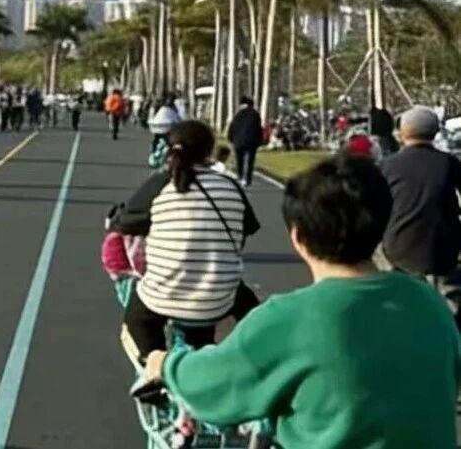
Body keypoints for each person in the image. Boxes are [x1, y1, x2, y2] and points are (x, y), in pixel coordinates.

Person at [142, 155, 460, 449]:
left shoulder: (289, 319)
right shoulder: (428, 302)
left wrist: (165, 364)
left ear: (298, 237)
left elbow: (213, 385)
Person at [123, 120, 259, 356]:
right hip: (219, 298)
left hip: (163, 297)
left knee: (137, 320)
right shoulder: (230, 185)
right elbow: (247, 228)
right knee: (251, 310)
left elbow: (126, 222)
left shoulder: (161, 183)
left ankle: (153, 364)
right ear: (208, 151)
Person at [380, 107, 461, 313]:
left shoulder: (387, 166)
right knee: (450, 298)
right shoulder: (448, 163)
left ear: (402, 132)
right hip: (441, 248)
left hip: (398, 247)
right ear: (435, 132)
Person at [226, 96, 264, 187]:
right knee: (250, 161)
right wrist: (260, 141)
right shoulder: (255, 114)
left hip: (238, 141)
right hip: (252, 141)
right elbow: (258, 129)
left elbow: (232, 127)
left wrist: (230, 138)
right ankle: (248, 179)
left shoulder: (238, 114)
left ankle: (240, 176)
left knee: (239, 159)